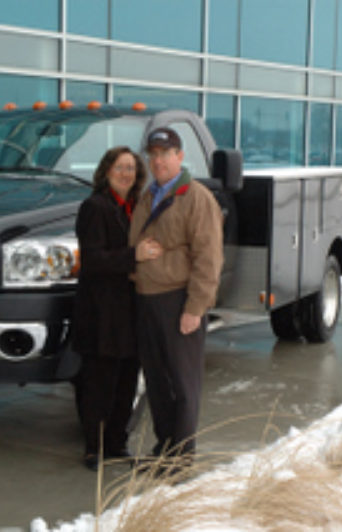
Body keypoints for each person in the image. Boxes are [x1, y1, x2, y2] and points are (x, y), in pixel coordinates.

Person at [129, 127, 223, 467]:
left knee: (181, 384)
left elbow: (209, 258)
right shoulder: (147, 194)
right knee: (157, 382)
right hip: (147, 299)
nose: (157, 161)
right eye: (152, 155)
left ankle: (180, 458)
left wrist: (195, 308)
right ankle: (163, 450)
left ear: (180, 157)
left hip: (177, 301)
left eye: (165, 154)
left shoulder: (196, 198)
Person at [72, 146, 163, 471]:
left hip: (130, 309)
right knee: (99, 382)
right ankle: (93, 448)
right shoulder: (94, 207)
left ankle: (116, 443)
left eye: (132, 168)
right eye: (119, 167)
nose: (126, 173)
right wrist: (133, 257)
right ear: (106, 171)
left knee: (127, 381)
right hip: (100, 312)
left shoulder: (135, 208)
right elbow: (93, 259)